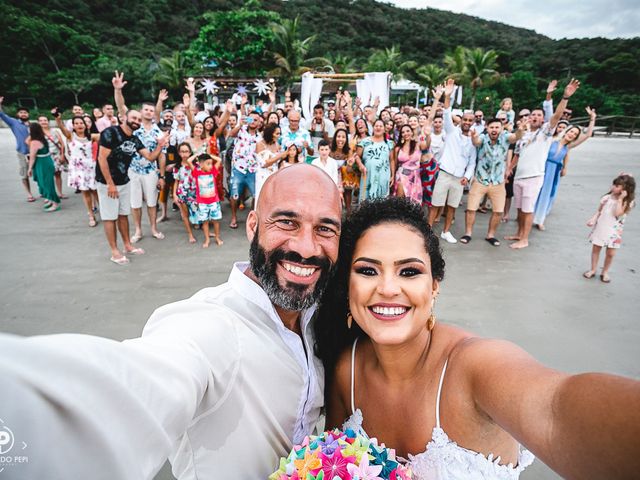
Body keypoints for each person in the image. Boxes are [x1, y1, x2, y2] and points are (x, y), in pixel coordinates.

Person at [0, 164, 341, 479]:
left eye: (325, 228)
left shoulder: (318, 318)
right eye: (286, 222)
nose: (307, 248)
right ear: (252, 226)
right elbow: (132, 389)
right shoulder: (209, 325)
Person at [315, 196, 640, 480]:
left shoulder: (476, 365)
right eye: (368, 270)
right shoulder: (348, 369)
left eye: (409, 271)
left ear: (434, 286)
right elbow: (326, 462)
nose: (387, 288)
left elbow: (555, 410)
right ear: (348, 286)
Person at [505, 79, 580, 249]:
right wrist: (510, 168)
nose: (535, 117)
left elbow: (556, 116)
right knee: (519, 208)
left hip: (534, 176)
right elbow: (517, 154)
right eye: (533, 115)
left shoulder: (546, 132)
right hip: (519, 176)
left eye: (539, 115)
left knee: (528, 209)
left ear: (543, 119)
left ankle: (524, 239)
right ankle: (518, 233)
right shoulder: (523, 134)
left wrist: (565, 97)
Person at [96, 108, 166, 265]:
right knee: (109, 217)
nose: (136, 121)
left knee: (123, 215)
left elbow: (149, 157)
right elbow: (102, 158)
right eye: (134, 117)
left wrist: (160, 146)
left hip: (124, 180)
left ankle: (127, 245)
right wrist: (110, 184)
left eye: (139, 120)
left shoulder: (135, 140)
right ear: (124, 117)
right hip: (107, 183)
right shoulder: (110, 133)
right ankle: (115, 251)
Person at [427, 79, 477, 243]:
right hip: (445, 174)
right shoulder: (451, 131)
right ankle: (427, 232)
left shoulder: (474, 140)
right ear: (461, 121)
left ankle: (446, 232)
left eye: (470, 121)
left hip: (459, 178)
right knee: (436, 204)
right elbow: (447, 113)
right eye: (465, 120)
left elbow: (472, 162)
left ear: (473, 123)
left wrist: (467, 177)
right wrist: (447, 96)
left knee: (452, 207)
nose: (467, 123)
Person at [461, 118, 524, 246]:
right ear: (487, 128)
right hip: (480, 180)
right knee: (471, 209)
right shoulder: (483, 138)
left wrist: (520, 131)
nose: (494, 130)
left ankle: (491, 235)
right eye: (492, 127)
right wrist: (474, 137)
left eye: (497, 127)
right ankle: (468, 233)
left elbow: (515, 137)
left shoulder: (505, 137)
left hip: (498, 182)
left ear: (501, 128)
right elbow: (476, 142)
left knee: (498, 211)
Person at [533, 107, 597, 230]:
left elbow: (588, 134)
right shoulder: (552, 140)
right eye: (571, 132)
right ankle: (528, 215)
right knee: (536, 191)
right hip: (543, 168)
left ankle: (540, 219)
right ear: (566, 131)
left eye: (574, 134)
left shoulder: (568, 147)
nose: (572, 134)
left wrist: (592, 118)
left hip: (554, 172)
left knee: (547, 194)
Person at [584, 173, 635, 283]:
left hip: (614, 232)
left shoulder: (627, 202)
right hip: (601, 227)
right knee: (596, 249)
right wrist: (593, 219)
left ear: (625, 190)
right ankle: (593, 269)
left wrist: (620, 199)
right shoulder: (607, 198)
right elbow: (599, 210)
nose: (613, 187)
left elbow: (618, 213)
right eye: (613, 184)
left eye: (616, 186)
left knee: (610, 253)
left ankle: (605, 271)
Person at [227, 109, 262, 229]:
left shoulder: (260, 137)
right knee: (234, 195)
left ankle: (252, 217)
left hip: (253, 170)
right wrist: (240, 124)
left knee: (255, 195)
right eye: (251, 119)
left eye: (255, 120)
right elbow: (231, 134)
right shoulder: (241, 130)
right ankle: (233, 216)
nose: (253, 122)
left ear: (259, 123)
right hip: (238, 168)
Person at [0, 97, 34, 201]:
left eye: (25, 112)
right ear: (18, 114)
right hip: (22, 152)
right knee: (24, 174)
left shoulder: (32, 125)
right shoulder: (14, 123)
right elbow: (2, 115)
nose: (23, 114)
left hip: (35, 153)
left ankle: (43, 191)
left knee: (39, 173)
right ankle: (29, 194)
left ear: (28, 115)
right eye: (21, 112)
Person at [188, 153, 223, 248]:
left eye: (211, 163)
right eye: (208, 164)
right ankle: (207, 239)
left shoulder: (213, 172)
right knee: (205, 222)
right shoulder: (197, 173)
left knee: (215, 220)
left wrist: (209, 156)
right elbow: (189, 161)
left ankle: (217, 237)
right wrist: (197, 155)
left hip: (214, 202)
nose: (211, 166)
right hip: (202, 203)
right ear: (201, 164)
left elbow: (219, 160)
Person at [27, 123, 61, 212]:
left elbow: (32, 157)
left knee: (46, 183)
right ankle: (50, 199)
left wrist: (29, 168)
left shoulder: (34, 142)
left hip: (42, 163)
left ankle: (55, 203)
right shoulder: (42, 139)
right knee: (46, 182)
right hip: (47, 161)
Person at [172, 142, 198, 244]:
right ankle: (190, 234)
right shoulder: (177, 167)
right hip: (182, 192)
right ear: (179, 153)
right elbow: (176, 181)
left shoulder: (195, 164)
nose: (184, 154)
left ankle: (198, 224)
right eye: (182, 152)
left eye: (186, 151)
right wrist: (174, 194)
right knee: (185, 214)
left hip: (194, 192)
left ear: (190, 152)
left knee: (197, 211)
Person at [394, 124, 426, 205]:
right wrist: (392, 177)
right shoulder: (398, 148)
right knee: (400, 201)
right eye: (403, 132)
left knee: (413, 204)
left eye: (408, 131)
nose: (405, 133)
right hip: (401, 175)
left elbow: (426, 145)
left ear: (412, 132)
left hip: (415, 177)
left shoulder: (417, 144)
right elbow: (394, 164)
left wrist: (425, 134)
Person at [255, 122, 287, 203]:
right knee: (262, 198)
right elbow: (264, 164)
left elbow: (278, 161)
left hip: (274, 174)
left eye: (279, 133)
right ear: (270, 133)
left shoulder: (277, 145)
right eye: (277, 133)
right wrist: (280, 155)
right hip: (263, 175)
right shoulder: (260, 144)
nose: (279, 136)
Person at [37, 114, 67, 199]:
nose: (43, 122)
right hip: (45, 157)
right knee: (47, 176)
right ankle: (49, 194)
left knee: (58, 174)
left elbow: (62, 144)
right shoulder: (37, 133)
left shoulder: (54, 131)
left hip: (56, 156)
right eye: (41, 121)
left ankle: (60, 193)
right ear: (38, 122)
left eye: (45, 120)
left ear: (48, 121)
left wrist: (62, 155)